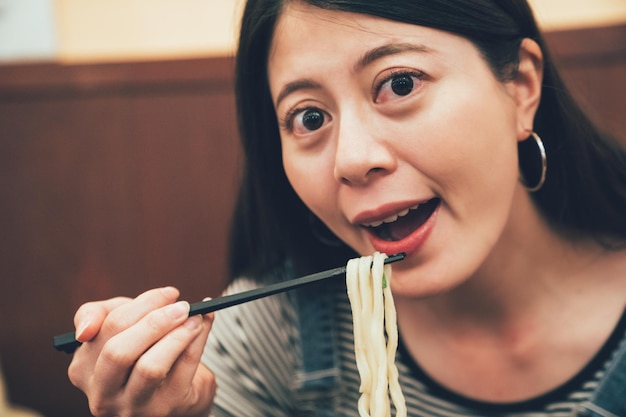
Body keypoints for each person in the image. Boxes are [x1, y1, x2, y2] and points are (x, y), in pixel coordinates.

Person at [66, 0, 626, 416]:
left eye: (399, 83)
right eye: (309, 118)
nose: (352, 160)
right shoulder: (269, 337)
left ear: (522, 88)